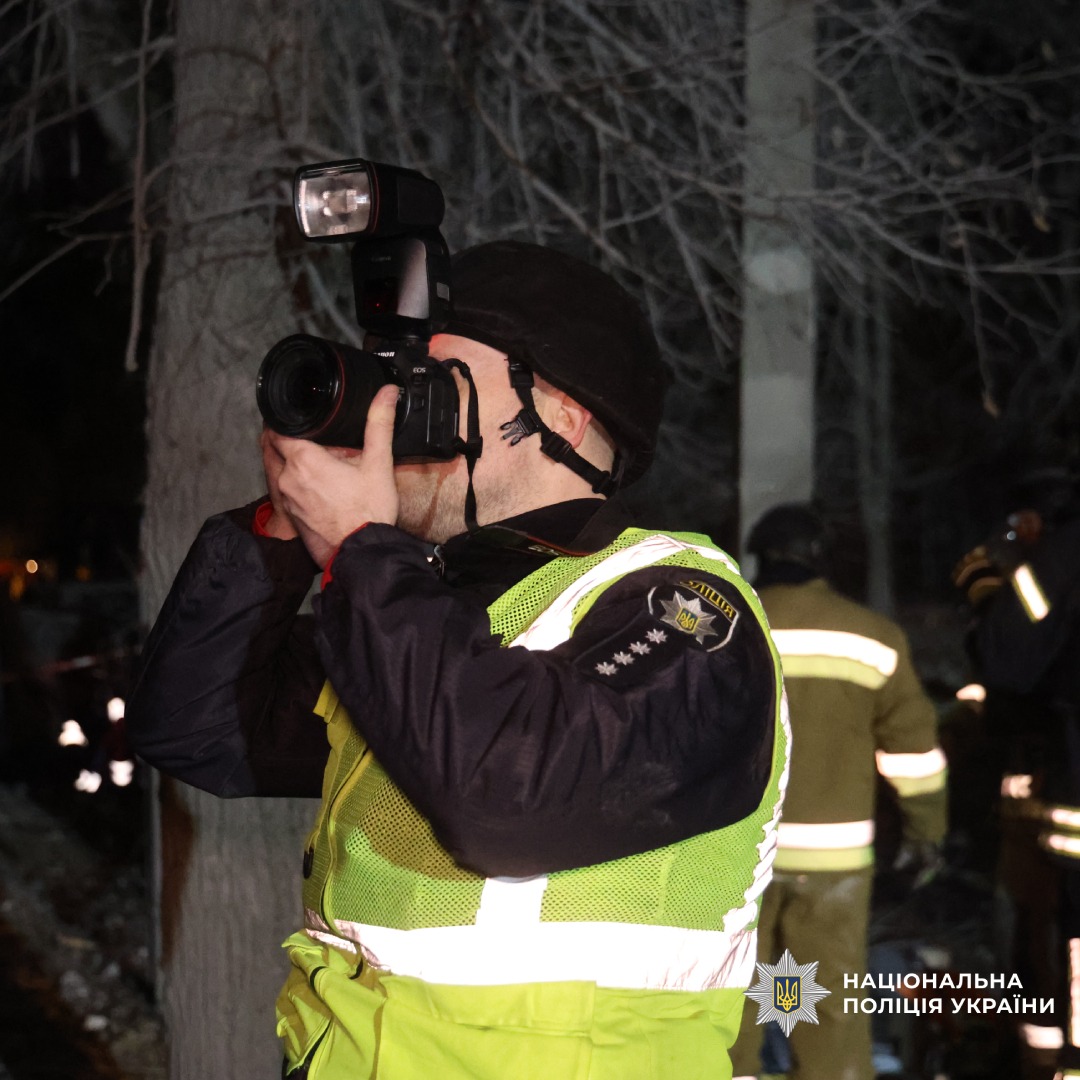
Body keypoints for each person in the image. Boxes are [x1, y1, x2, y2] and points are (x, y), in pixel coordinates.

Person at [127, 240, 789, 1080]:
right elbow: (197, 728)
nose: (398, 413)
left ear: (563, 416)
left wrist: (361, 549)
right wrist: (286, 529)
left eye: (434, 387)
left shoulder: (684, 605)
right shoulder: (418, 609)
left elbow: (507, 800)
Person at [730, 503, 947, 1080]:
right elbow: (914, 753)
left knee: (732, 999)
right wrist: (925, 834)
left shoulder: (727, 626)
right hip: (832, 866)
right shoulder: (871, 636)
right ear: (820, 559)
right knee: (824, 1005)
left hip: (734, 861)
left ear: (759, 557)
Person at [963, 493, 1080, 1080]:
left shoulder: (1062, 554)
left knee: (1050, 931)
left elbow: (1008, 653)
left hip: (1060, 789)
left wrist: (990, 579)